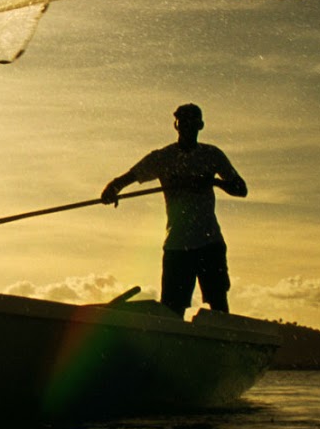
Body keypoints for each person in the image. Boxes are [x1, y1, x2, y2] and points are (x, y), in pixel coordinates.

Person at [101, 103, 247, 318]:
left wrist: (213, 182)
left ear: (200, 125)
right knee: (172, 310)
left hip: (210, 243)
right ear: (176, 125)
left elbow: (241, 189)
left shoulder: (212, 155)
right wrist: (112, 189)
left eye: (192, 122)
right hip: (178, 246)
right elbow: (126, 178)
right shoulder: (163, 157)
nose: (187, 127)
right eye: (183, 122)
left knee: (218, 306)